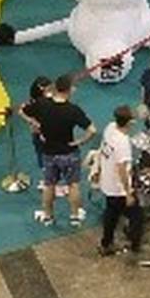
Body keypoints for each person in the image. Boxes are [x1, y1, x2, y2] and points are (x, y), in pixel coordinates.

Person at [31, 75, 93, 227]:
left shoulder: (42, 104)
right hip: (69, 153)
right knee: (73, 185)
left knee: (49, 185)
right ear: (69, 90)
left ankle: (48, 216)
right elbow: (92, 130)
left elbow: (27, 114)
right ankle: (75, 216)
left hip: (49, 153)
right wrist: (80, 141)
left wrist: (39, 129)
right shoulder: (73, 110)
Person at [96, 105, 148, 264]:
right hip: (118, 189)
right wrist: (128, 192)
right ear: (130, 122)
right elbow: (122, 170)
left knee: (111, 214)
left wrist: (98, 169)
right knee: (137, 215)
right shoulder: (123, 142)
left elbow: (102, 150)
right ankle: (135, 246)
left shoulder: (110, 128)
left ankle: (106, 244)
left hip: (107, 182)